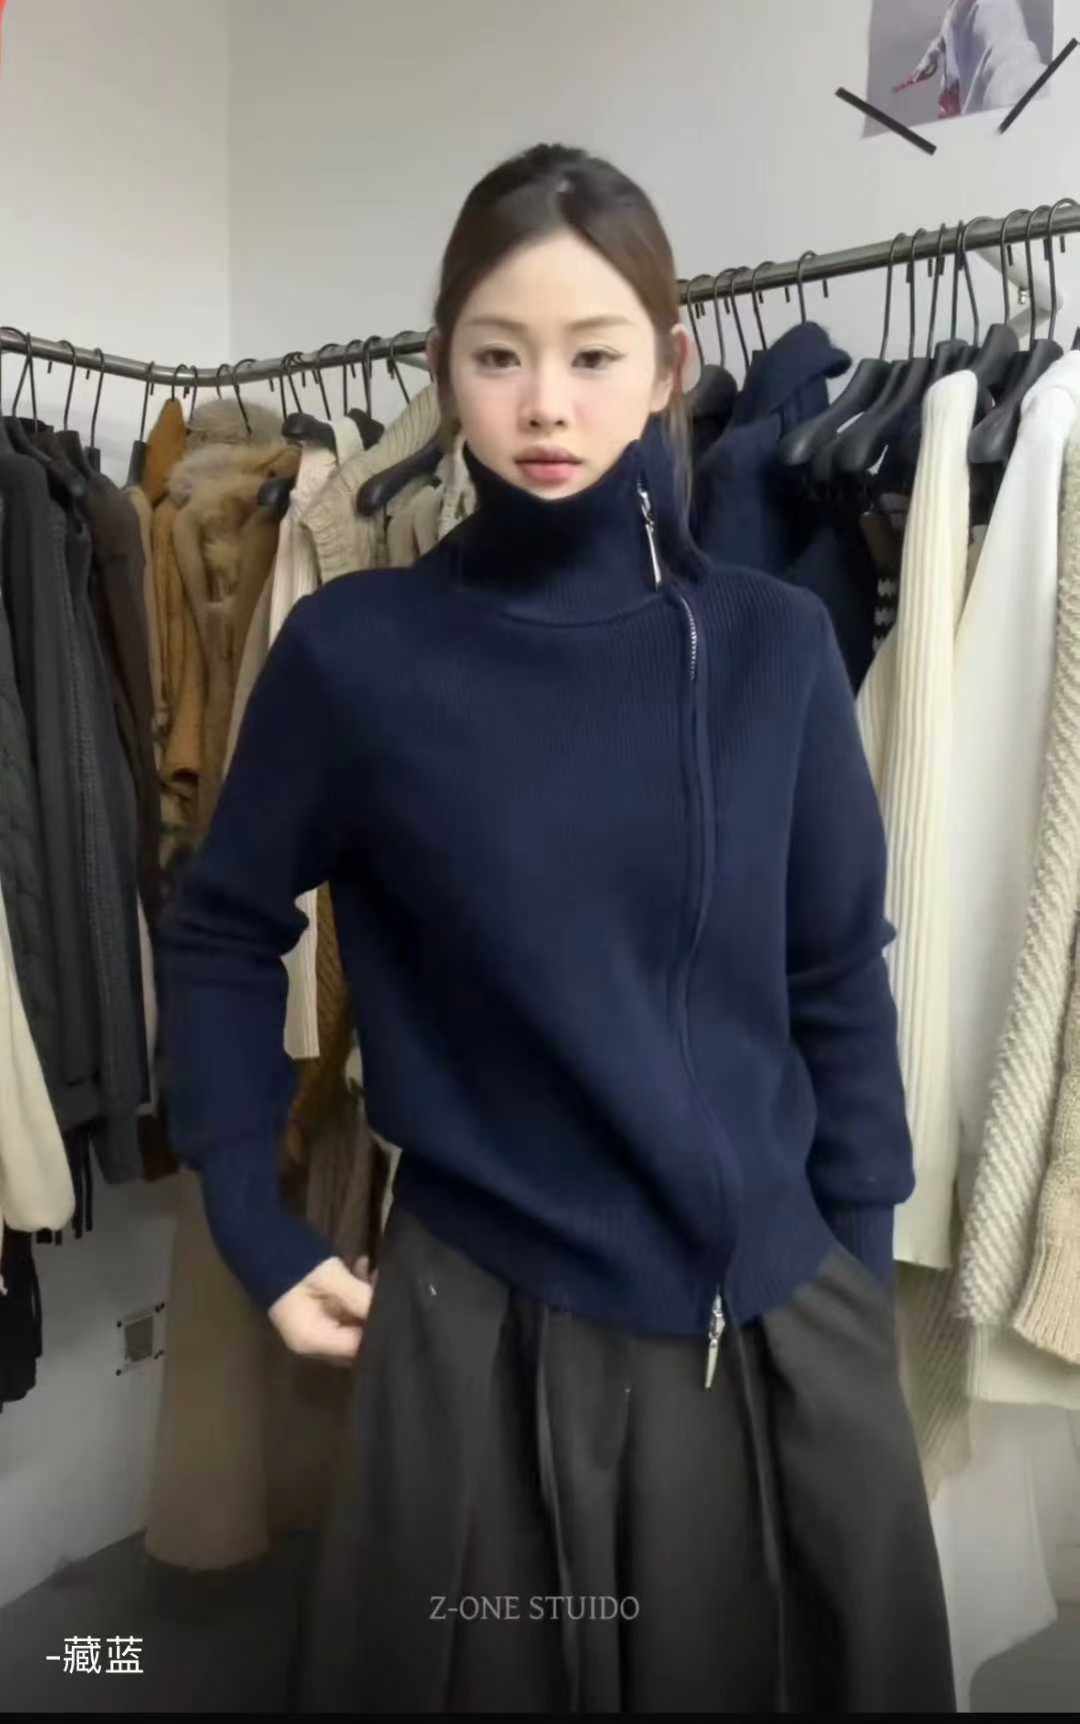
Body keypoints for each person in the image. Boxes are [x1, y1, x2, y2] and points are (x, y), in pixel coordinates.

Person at [158, 142, 956, 1714]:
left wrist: (854, 1286)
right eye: (499, 356)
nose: (545, 405)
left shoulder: (773, 648)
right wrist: (252, 1213)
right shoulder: (358, 654)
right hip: (480, 1331)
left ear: (668, 368)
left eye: (594, 357)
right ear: (441, 366)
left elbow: (832, 980)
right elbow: (221, 927)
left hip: (776, 1329)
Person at [894, 0, 1047, 118]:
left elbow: (1010, 61)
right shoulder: (955, 10)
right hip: (970, 106)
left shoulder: (993, 6)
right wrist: (932, 54)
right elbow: (947, 31)